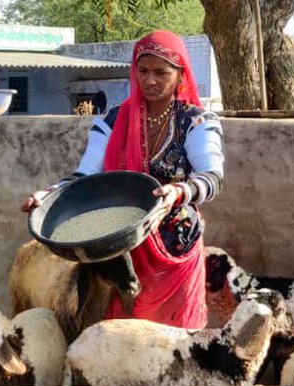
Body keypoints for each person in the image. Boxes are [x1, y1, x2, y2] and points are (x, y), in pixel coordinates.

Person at [20, 30, 223, 329]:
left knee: (174, 340)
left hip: (174, 243)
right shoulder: (113, 121)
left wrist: (178, 192)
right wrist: (48, 196)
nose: (150, 80)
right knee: (122, 339)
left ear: (180, 74)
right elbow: (84, 175)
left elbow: (212, 178)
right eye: (143, 71)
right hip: (120, 248)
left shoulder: (195, 121)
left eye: (161, 72)